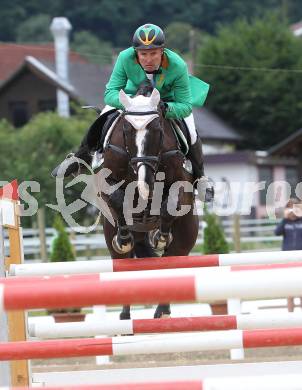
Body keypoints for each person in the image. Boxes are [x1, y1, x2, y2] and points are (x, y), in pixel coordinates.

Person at [52, 23, 211, 194]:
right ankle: (80, 157)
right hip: (132, 98)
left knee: (192, 132)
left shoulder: (177, 64)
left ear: (162, 51)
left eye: (153, 53)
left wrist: (165, 108)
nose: (148, 59)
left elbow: (185, 106)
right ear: (136, 52)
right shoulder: (124, 57)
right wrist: (130, 104)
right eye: (143, 54)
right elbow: (110, 93)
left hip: (167, 101)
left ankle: (200, 179)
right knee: (103, 116)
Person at [275, 198, 302, 311]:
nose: (293, 211)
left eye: (296, 207)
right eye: (290, 208)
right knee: (289, 290)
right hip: (288, 260)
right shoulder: (285, 222)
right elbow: (276, 232)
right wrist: (285, 219)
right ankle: (290, 316)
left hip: (301, 260)